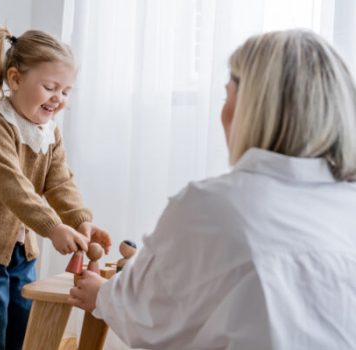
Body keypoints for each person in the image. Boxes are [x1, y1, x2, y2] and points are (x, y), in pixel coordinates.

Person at [69, 29, 356, 349]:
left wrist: (102, 297)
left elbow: (146, 316)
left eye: (226, 96)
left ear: (248, 109)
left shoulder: (209, 206)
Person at [0, 27, 111, 350]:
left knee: (23, 326)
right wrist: (53, 227)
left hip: (19, 252)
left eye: (66, 91)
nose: (59, 98)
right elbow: (13, 188)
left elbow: (60, 181)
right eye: (50, 87)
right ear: (16, 79)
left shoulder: (50, 133)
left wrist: (79, 220)